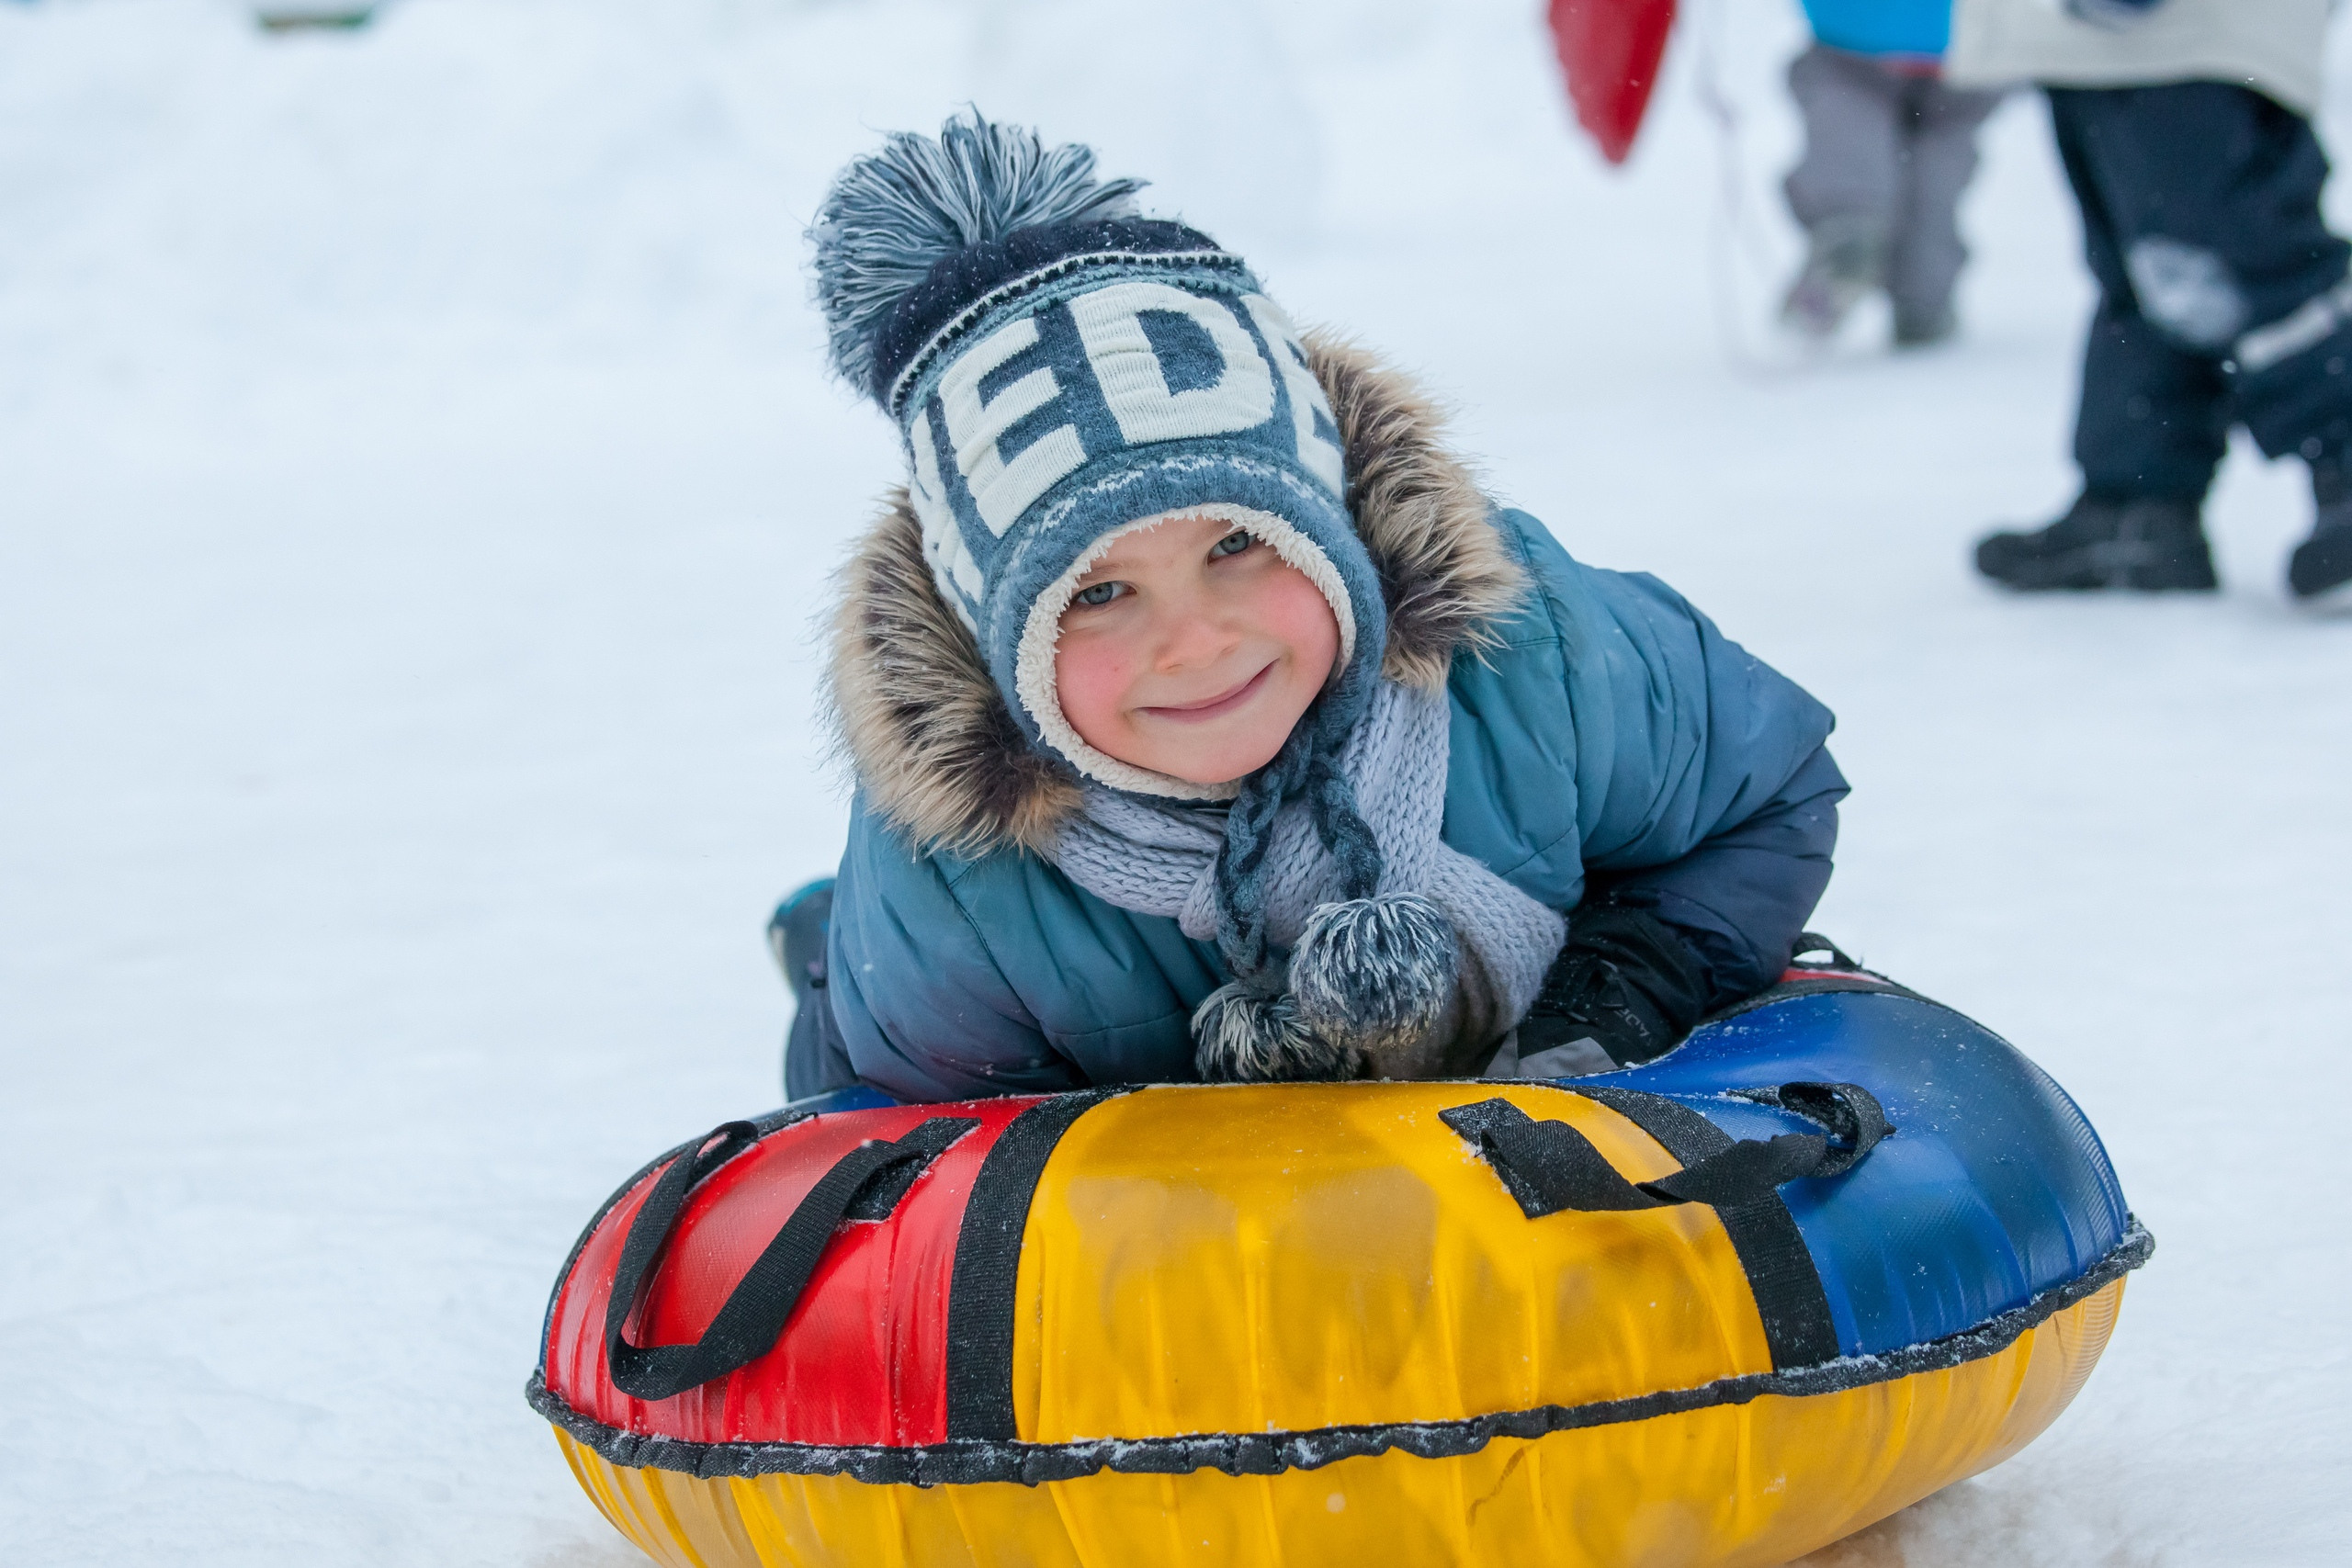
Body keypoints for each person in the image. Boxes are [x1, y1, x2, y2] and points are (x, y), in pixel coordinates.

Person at [782, 112, 1848, 1104]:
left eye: (1237, 545)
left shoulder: (1530, 649)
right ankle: (824, 944)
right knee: (852, 990)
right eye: (1098, 593)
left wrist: (1610, 1000)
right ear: (998, 640)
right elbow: (913, 1134)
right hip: (1118, 1163)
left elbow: (1762, 794)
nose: (1195, 641)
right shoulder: (957, 884)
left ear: (1330, 527)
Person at [1951, 0, 2352, 604]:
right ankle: (2139, 503)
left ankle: (2342, 458)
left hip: (2187, 34)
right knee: (2149, 273)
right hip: (2102, 41)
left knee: (2253, 260)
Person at [1781, 0, 2007, 347]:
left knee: (1850, 142)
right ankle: (1924, 292)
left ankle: (1848, 236)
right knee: (1934, 180)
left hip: (1856, 32)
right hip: (1968, 38)